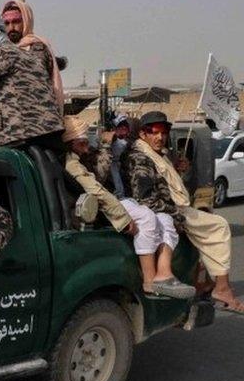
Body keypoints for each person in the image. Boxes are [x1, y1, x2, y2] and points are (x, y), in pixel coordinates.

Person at [123, 111, 244, 311]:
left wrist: (176, 169)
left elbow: (165, 182)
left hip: (175, 207)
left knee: (205, 229)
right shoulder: (140, 158)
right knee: (219, 226)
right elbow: (145, 198)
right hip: (169, 211)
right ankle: (222, 288)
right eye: (153, 132)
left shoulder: (157, 155)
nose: (159, 137)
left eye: (163, 132)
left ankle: (201, 281)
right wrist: (176, 215)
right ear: (143, 134)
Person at [62, 116, 194, 298]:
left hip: (120, 198)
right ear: (71, 143)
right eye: (82, 143)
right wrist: (122, 219)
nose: (87, 147)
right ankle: (149, 282)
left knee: (164, 219)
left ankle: (163, 274)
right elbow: (98, 186)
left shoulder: (88, 154)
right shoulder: (73, 164)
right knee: (146, 217)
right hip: (102, 206)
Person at [2, 0, 65, 108]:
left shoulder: (38, 48)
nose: (11, 27)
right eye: (7, 23)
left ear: (26, 21)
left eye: (16, 22)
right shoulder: (1, 50)